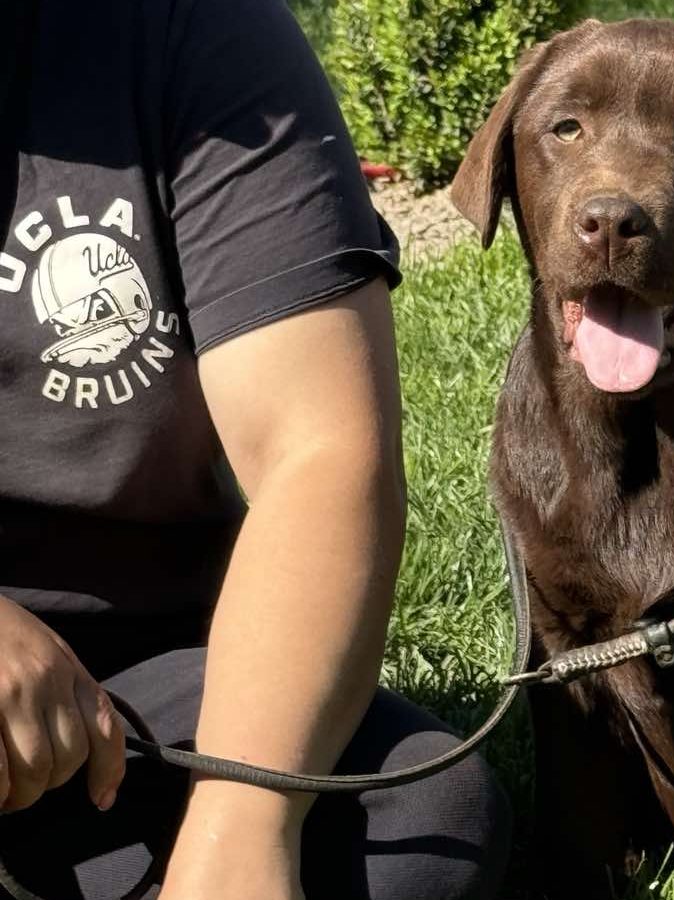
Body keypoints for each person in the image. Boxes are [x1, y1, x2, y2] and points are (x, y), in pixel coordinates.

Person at [0, 0, 511, 897]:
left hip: (137, 678)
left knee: (419, 823)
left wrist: (242, 824)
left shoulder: (189, 32)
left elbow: (315, 450)